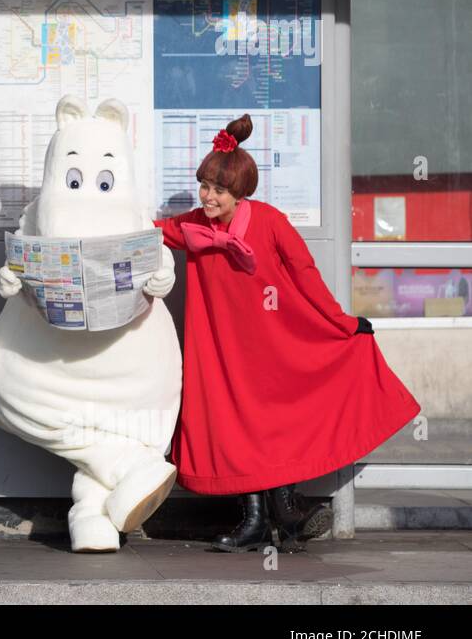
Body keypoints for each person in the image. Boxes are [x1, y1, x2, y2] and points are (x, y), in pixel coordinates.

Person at [150, 114, 421, 552]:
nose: (208, 196)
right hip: (222, 349)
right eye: (204, 186)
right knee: (233, 422)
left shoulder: (271, 222)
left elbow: (305, 274)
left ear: (240, 193)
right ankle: (262, 519)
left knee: (277, 420)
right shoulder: (195, 225)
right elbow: (154, 232)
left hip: (272, 343)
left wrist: (342, 323)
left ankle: (284, 511)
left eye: (218, 190)